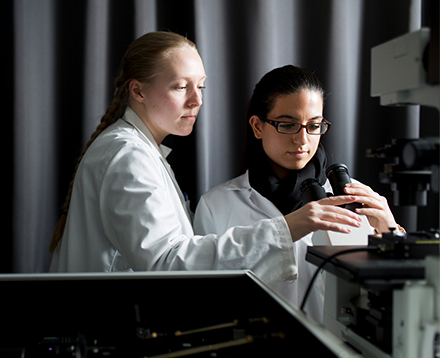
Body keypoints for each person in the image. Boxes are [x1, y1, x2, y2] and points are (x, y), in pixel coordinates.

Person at [48, 32, 362, 273]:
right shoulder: (127, 156)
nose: (196, 100)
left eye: (201, 86)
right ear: (138, 91)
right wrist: (289, 227)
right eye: (180, 87)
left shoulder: (142, 152)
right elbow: (167, 264)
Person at [193, 65, 403, 321]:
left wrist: (390, 234)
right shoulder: (218, 204)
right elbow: (206, 295)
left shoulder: (355, 199)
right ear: (257, 126)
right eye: (288, 125)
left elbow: (392, 297)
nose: (303, 140)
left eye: (314, 125)